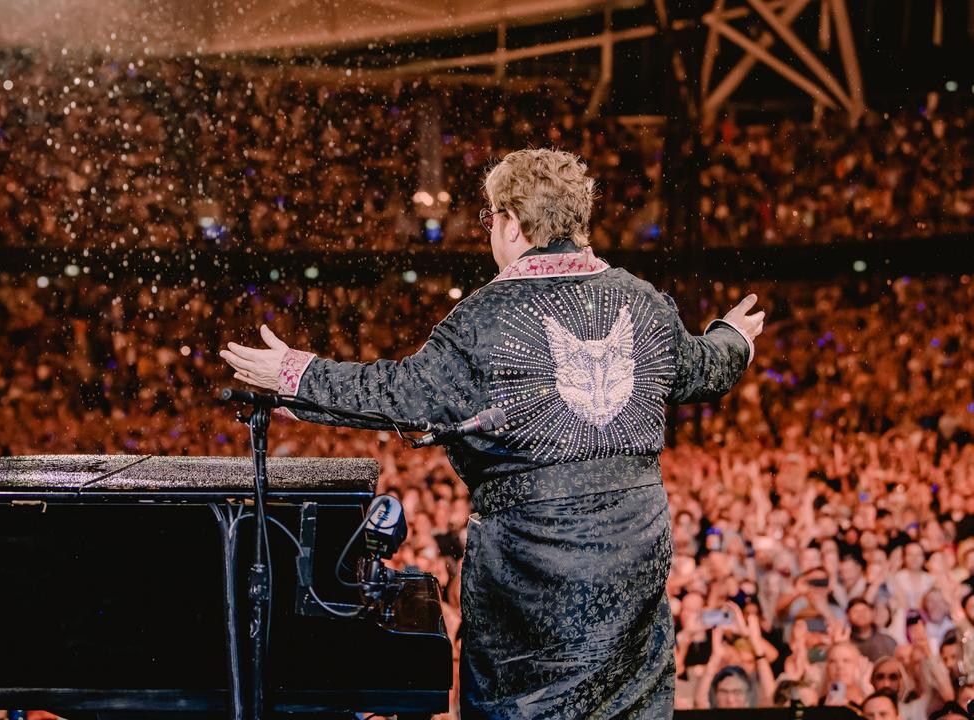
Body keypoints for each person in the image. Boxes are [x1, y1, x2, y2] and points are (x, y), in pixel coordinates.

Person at [220, 148, 764, 718]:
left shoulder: (487, 316)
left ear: (510, 222)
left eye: (489, 220)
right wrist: (735, 335)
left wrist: (296, 375)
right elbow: (706, 367)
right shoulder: (642, 299)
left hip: (529, 568)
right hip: (634, 552)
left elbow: (400, 395)